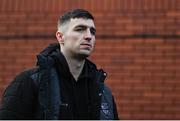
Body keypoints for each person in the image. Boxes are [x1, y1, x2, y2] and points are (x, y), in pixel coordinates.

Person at [0, 9, 119, 120]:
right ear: (60, 37)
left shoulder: (103, 92)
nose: (89, 36)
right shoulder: (30, 82)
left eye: (92, 31)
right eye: (80, 29)